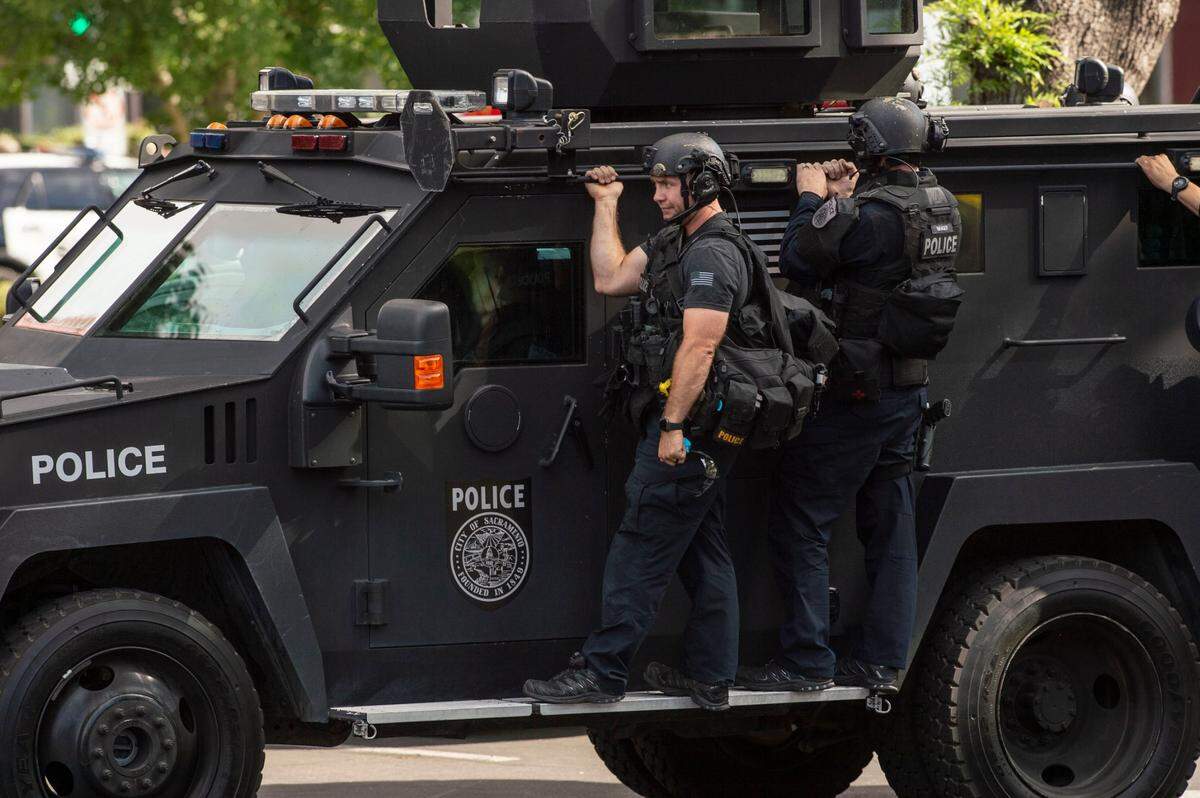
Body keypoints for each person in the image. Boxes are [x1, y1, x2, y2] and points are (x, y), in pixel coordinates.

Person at [523, 133, 776, 712]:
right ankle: (710, 676)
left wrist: (672, 427)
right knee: (704, 549)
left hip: (692, 429)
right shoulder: (674, 242)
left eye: (667, 185)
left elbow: (701, 346)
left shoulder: (713, 254)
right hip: (695, 428)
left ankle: (603, 671)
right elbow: (610, 278)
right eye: (656, 184)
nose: (658, 195)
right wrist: (606, 204)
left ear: (701, 184)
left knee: (640, 545)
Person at [739, 98, 961, 695]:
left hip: (856, 392)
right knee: (891, 526)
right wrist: (842, 200)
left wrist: (813, 197)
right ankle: (883, 661)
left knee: (800, 518)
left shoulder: (870, 216)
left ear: (869, 148)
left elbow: (798, 256)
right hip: (906, 389)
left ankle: (807, 660)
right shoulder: (942, 206)